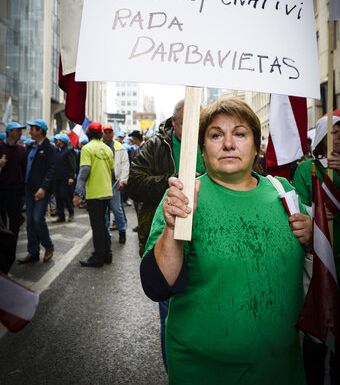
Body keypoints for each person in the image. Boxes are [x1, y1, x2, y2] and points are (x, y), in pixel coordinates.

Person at [140, 97, 312, 385]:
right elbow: (157, 286)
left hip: (281, 367)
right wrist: (172, 229)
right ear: (203, 149)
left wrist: (309, 240)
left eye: (240, 134)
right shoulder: (184, 196)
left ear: (257, 146)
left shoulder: (283, 191)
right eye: (216, 135)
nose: (229, 144)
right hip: (204, 371)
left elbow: (317, 271)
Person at [128, 99, 205, 370]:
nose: (196, 130)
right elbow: (133, 184)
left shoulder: (212, 143)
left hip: (207, 247)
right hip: (166, 240)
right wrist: (173, 182)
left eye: (200, 124)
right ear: (174, 123)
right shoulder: (155, 146)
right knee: (171, 315)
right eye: (188, 124)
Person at [293, 114, 340, 385]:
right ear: (322, 138)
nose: (339, 137)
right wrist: (318, 216)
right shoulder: (307, 170)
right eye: (334, 132)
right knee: (317, 331)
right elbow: (300, 207)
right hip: (319, 260)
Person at [73, 122, 114, 267]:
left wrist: (77, 193)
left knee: (97, 225)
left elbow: (84, 172)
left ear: (89, 134)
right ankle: (107, 254)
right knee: (103, 224)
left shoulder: (87, 148)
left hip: (95, 193)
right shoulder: (107, 149)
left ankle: (98, 257)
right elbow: (111, 170)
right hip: (107, 192)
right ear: (100, 134)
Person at [18, 119, 56, 264]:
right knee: (30, 223)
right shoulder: (31, 147)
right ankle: (33, 252)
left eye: (33, 129)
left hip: (41, 191)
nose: (30, 131)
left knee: (37, 219)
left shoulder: (49, 148)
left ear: (40, 131)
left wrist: (43, 188)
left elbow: (52, 170)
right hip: (29, 189)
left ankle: (49, 246)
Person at [0, 122, 27, 257]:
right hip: (1, 191)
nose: (20, 134)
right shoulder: (0, 147)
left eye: (21, 131)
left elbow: (24, 170)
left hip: (16, 191)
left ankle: (11, 252)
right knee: (2, 223)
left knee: (15, 223)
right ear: (9, 132)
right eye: (17, 131)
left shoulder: (22, 150)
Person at [102, 125, 129, 243]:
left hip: (115, 183)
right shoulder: (99, 147)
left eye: (110, 132)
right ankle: (106, 233)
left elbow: (125, 165)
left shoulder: (120, 147)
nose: (108, 134)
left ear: (113, 134)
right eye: (105, 132)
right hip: (101, 183)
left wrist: (123, 181)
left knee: (117, 209)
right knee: (104, 210)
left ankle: (122, 231)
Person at [53, 134, 76, 223]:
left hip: (66, 179)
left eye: (58, 140)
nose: (56, 141)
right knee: (58, 197)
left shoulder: (69, 150)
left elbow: (72, 164)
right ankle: (61, 216)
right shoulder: (57, 150)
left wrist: (71, 176)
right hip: (57, 178)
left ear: (62, 141)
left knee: (65, 196)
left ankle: (71, 212)